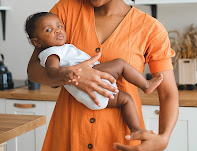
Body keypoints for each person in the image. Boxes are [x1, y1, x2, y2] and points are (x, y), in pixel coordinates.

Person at [27, 0, 179, 151]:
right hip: (68, 139)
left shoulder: (149, 28)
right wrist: (74, 75)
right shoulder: (65, 11)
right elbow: (34, 69)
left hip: (120, 143)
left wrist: (163, 138)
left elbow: (168, 93)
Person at [25, 11, 163, 132]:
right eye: (48, 30)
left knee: (126, 99)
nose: (57, 30)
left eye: (59, 26)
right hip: (91, 81)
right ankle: (145, 85)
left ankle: (136, 129)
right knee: (120, 63)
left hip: (95, 95)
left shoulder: (62, 48)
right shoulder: (51, 53)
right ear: (36, 43)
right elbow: (51, 71)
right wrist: (65, 73)